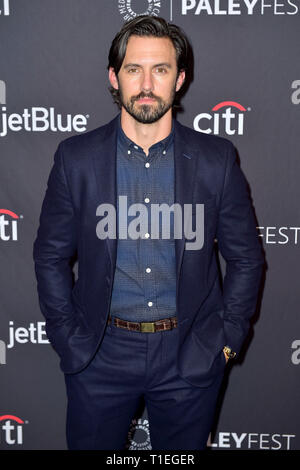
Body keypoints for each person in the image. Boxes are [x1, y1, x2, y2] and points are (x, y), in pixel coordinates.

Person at [33, 15, 264, 450]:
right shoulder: (75, 159)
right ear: (113, 77)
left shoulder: (216, 159)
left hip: (190, 353)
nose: (146, 83)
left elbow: (246, 259)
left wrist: (226, 342)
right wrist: (68, 338)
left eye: (160, 69)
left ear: (179, 79)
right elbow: (49, 256)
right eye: (133, 69)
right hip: (100, 353)